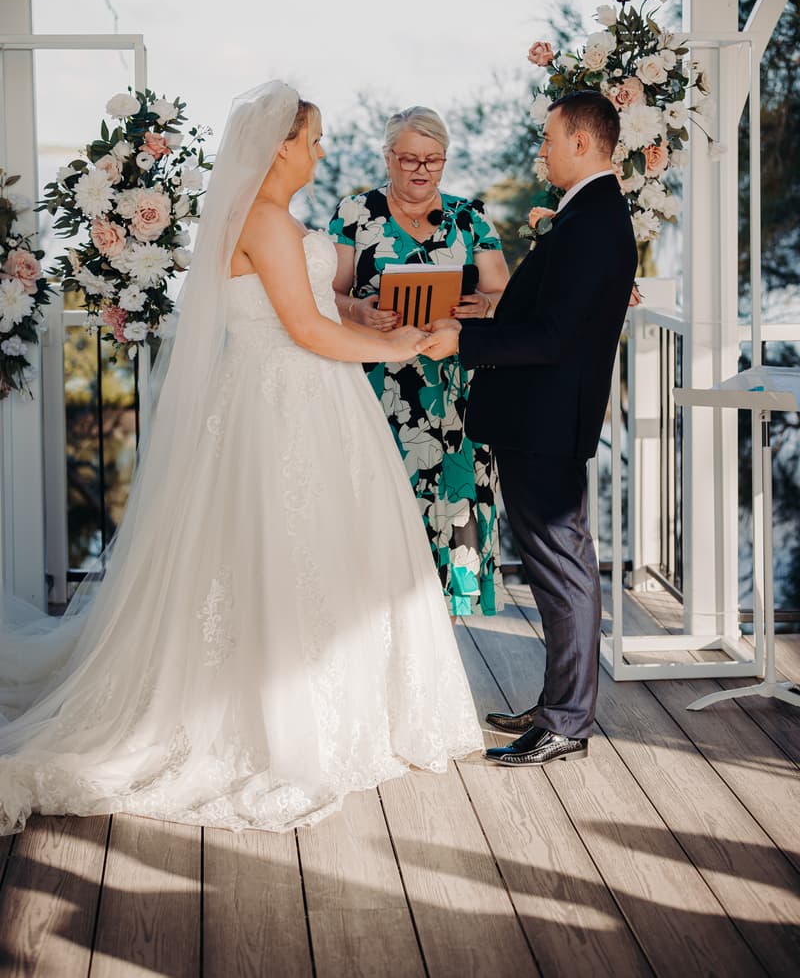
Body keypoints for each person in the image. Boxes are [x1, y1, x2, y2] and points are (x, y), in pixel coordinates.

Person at [0, 82, 483, 835]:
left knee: (325, 551)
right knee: (291, 551)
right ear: (282, 144)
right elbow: (303, 330)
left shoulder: (267, 220)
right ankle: (293, 715)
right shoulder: (264, 220)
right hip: (285, 402)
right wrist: (396, 343)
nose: (321, 152)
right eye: (314, 140)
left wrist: (357, 310)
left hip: (304, 396)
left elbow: (310, 309)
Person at [422, 91, 637, 766]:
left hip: (547, 420)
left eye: (548, 138)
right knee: (554, 567)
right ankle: (555, 704)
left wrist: (464, 338)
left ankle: (568, 720)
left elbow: (552, 336)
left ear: (581, 142)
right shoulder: (586, 215)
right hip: (538, 418)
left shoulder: (595, 222)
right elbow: (547, 313)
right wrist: (486, 311)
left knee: (563, 566)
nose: (539, 150)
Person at [330, 106, 509, 617]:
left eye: (434, 159)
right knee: (380, 507)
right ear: (388, 157)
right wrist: (359, 310)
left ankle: (439, 637)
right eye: (409, 158)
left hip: (454, 394)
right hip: (378, 390)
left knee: (453, 509)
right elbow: (329, 297)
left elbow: (503, 294)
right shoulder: (355, 214)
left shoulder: (469, 217)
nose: (421, 170)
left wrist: (483, 306)